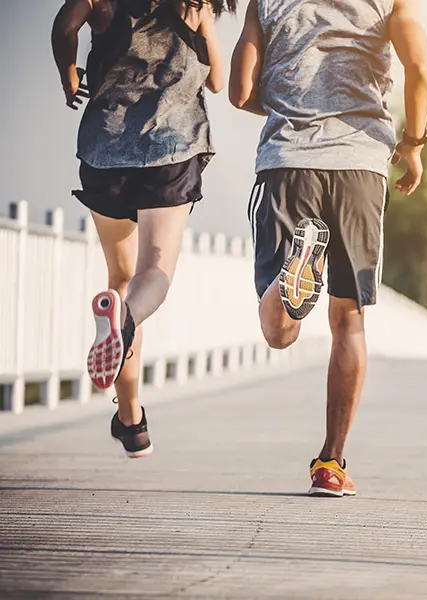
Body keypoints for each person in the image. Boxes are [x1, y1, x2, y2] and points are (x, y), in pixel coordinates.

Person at [229, 0, 427, 496]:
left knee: (280, 333)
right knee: (349, 320)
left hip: (287, 163)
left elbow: (240, 91)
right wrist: (413, 143)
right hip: (360, 165)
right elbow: (421, 69)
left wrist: (289, 103)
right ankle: (331, 463)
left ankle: (293, 271)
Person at [51, 0, 236, 458]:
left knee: (120, 280)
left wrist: (69, 74)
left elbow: (64, 25)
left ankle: (131, 421)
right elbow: (217, 80)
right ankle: (125, 322)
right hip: (171, 150)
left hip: (104, 152)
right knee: (152, 274)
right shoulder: (195, 5)